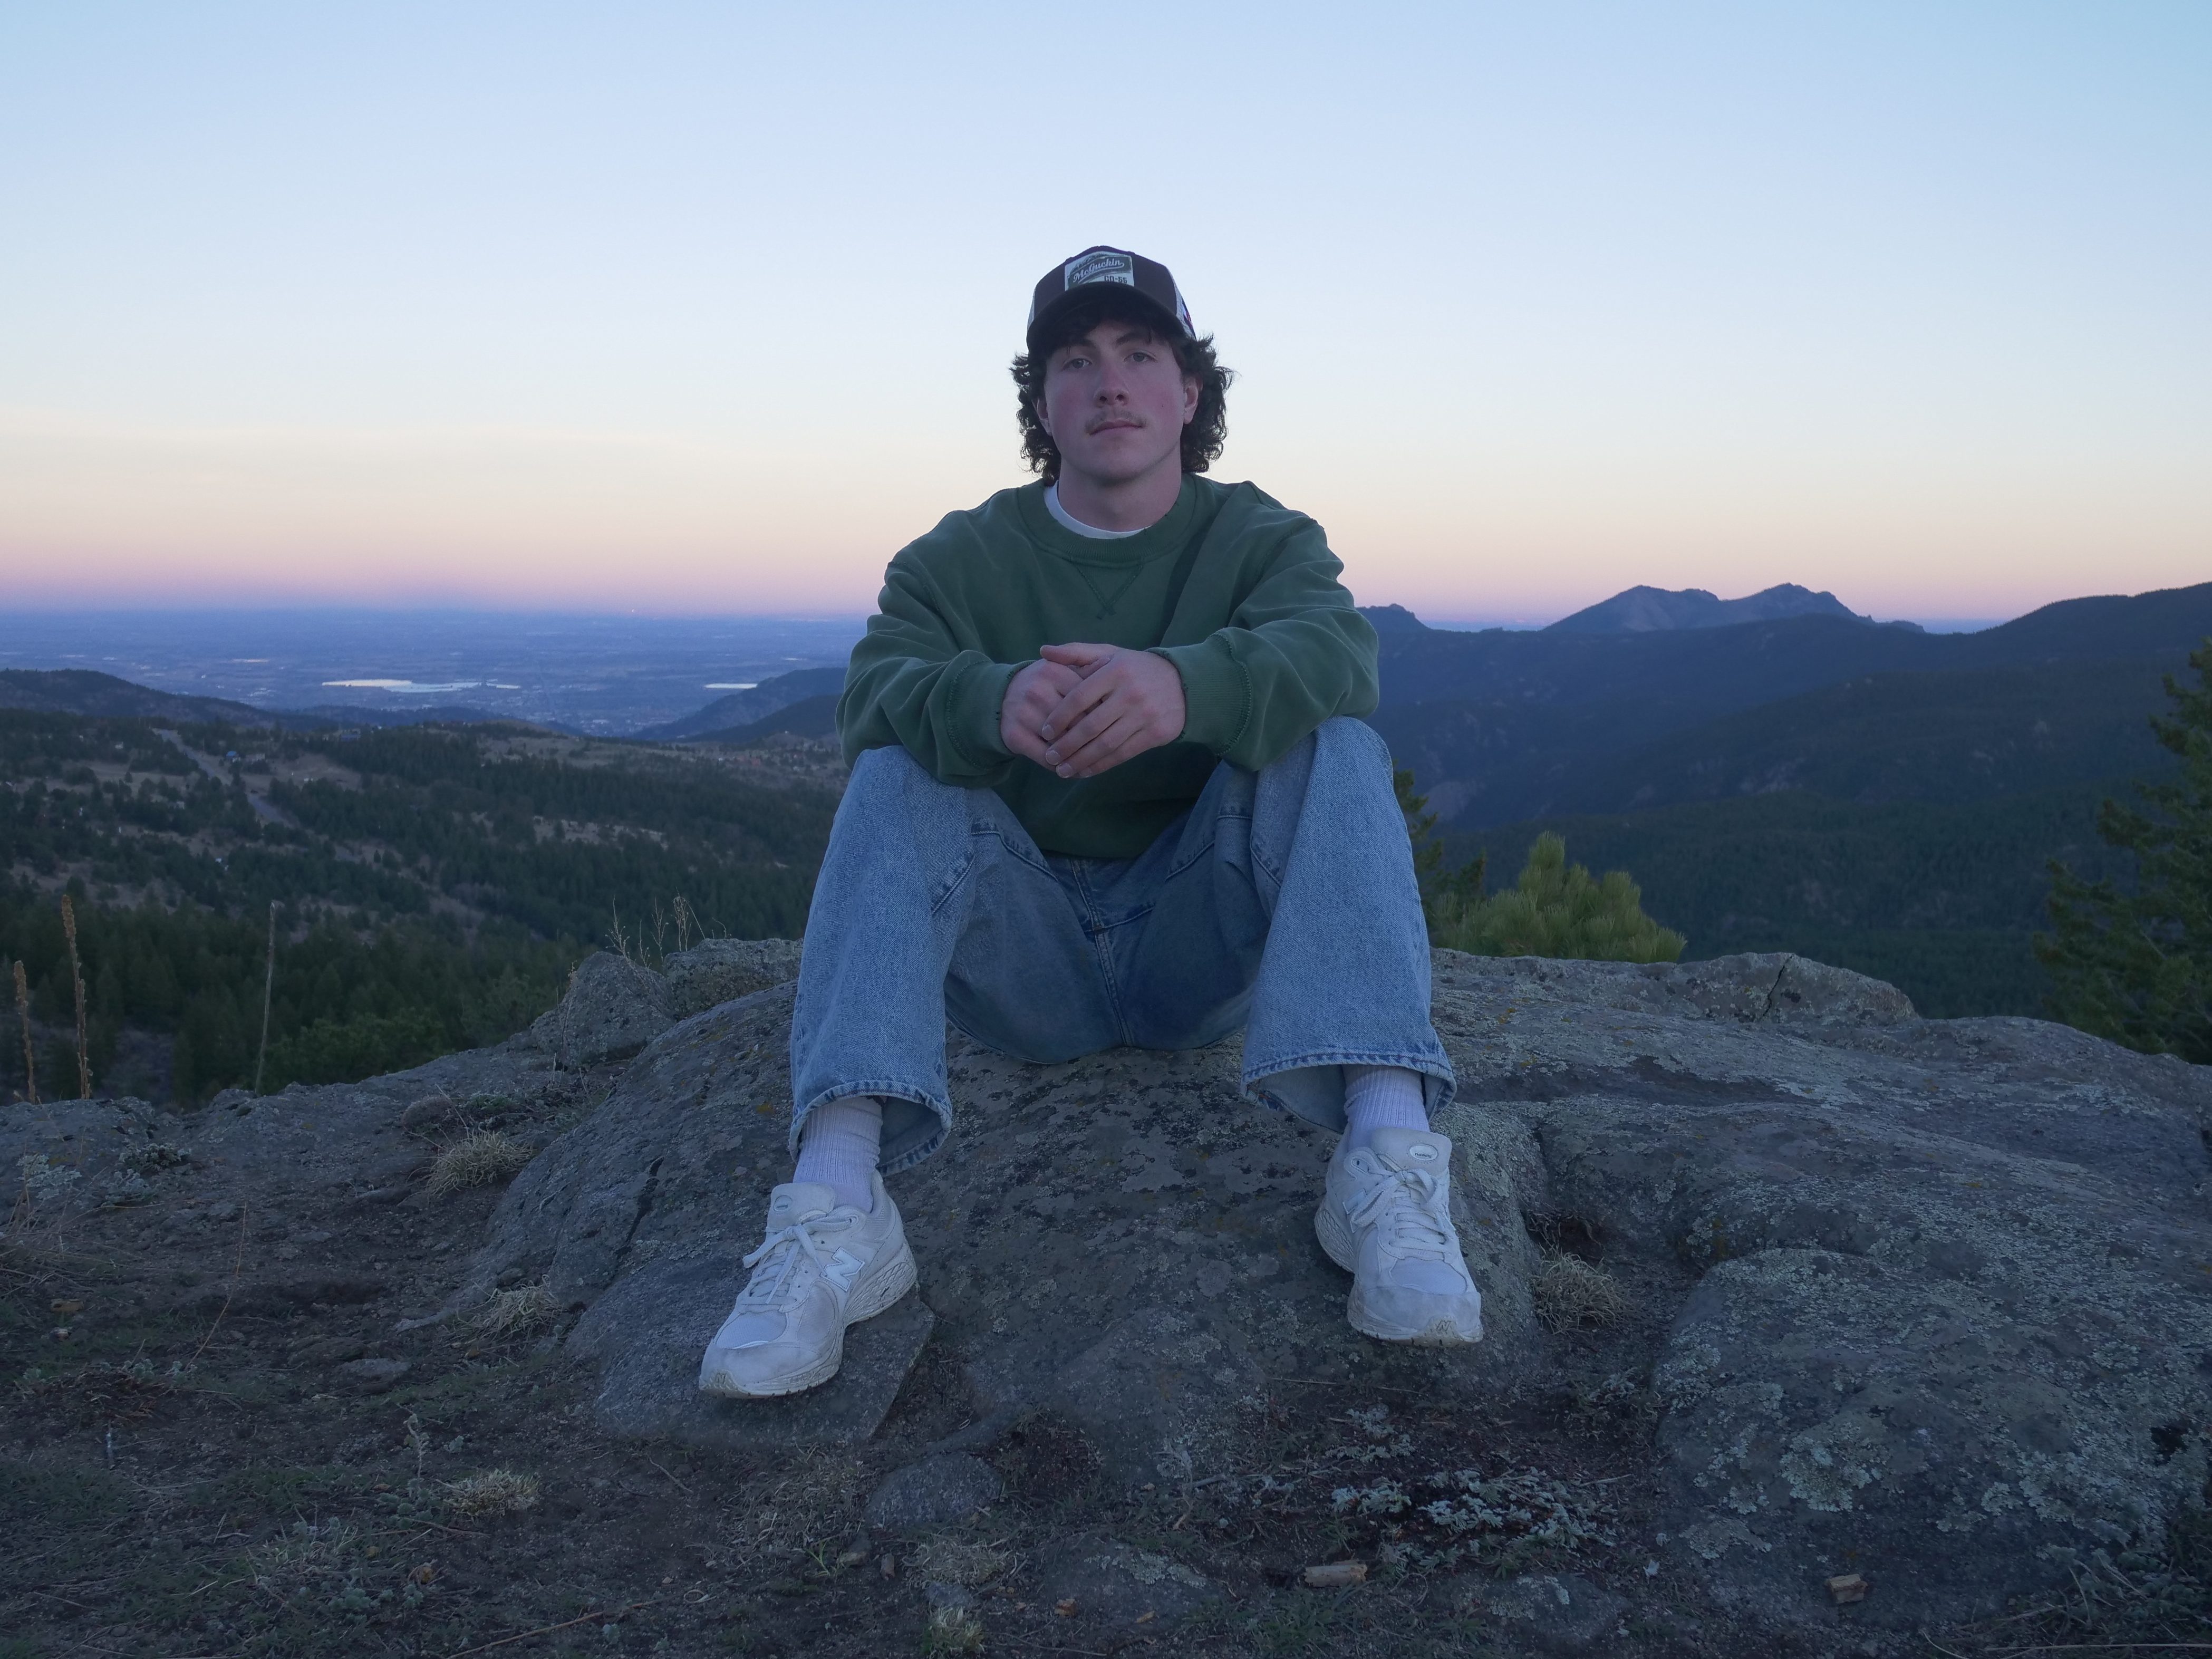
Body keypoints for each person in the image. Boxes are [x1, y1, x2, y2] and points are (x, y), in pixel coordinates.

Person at [699, 246, 1483, 1400]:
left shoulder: (1261, 540)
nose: (1108, 382)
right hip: (1026, 969)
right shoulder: (958, 558)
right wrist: (982, 699)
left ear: (1188, 394)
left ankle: (1382, 1161)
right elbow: (874, 690)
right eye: (1074, 360)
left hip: (1192, 948)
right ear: (1042, 403)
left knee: (1336, 740)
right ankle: (839, 1203)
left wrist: (1187, 686)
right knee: (895, 766)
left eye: (1138, 354)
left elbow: (1338, 655)